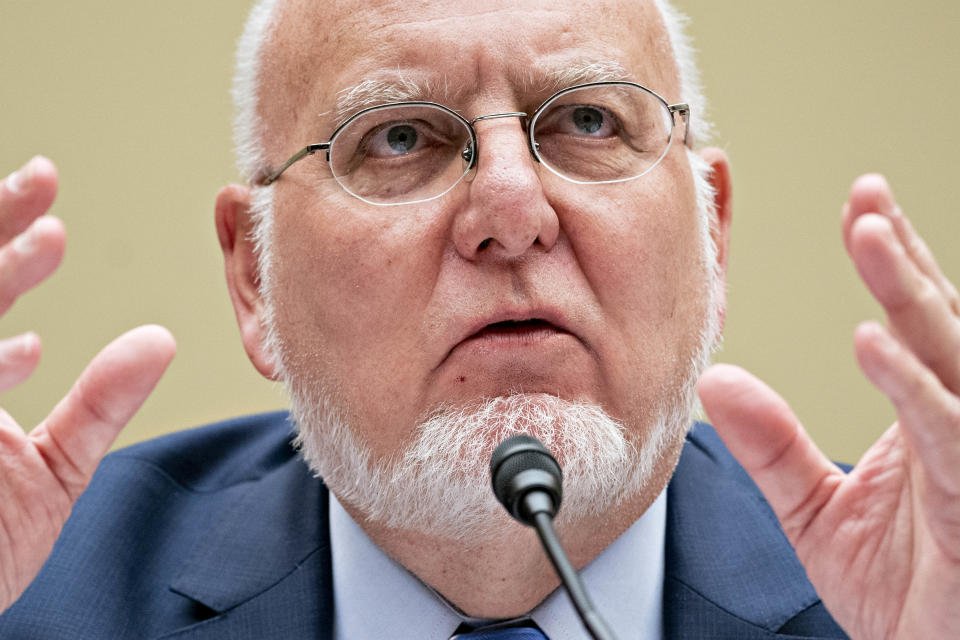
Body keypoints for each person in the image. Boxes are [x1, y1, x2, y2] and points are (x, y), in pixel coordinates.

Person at [0, 0, 957, 637]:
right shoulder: (38, 594)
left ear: (710, 231)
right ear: (256, 275)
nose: (510, 213)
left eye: (588, 122)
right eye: (399, 137)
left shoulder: (909, 597)